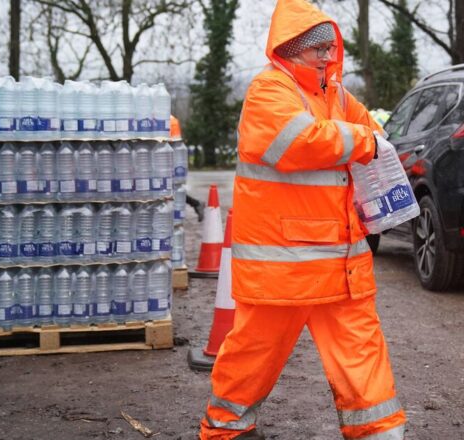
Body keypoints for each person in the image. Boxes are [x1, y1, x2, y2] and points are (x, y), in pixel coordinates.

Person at [198, 0, 406, 438]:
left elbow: (373, 133)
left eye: (331, 48)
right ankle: (226, 429)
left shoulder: (335, 94)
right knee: (253, 355)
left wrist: (370, 139)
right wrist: (362, 140)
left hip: (339, 263)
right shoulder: (269, 90)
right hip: (284, 267)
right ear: (292, 49)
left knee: (362, 355)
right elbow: (297, 142)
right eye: (319, 49)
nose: (328, 56)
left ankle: (381, 433)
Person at [170, 115, 206, 222]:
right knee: (172, 189)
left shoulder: (165, 119)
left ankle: (196, 204)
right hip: (172, 155)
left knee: (170, 189)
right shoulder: (171, 118)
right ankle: (196, 204)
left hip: (169, 155)